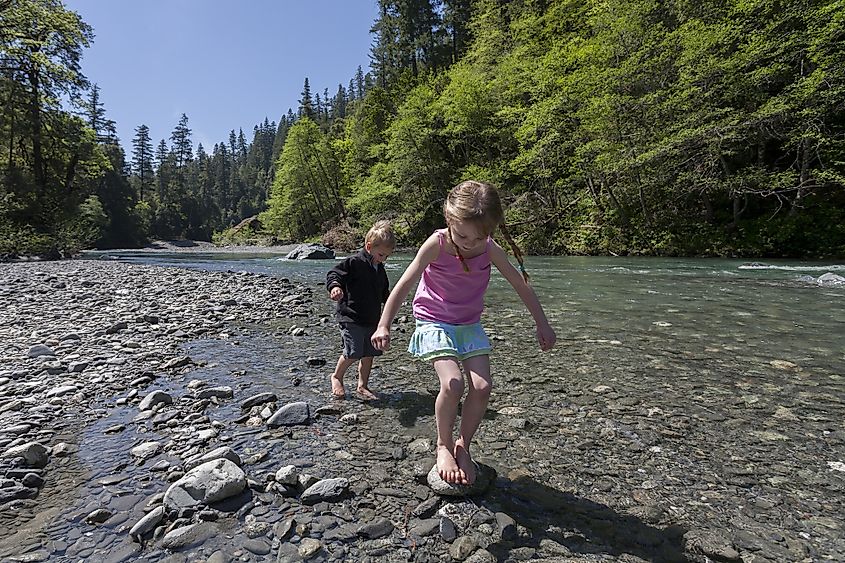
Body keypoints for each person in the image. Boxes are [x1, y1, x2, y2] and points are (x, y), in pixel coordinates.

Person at [372, 180, 556, 485]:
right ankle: (443, 444)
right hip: (434, 319)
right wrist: (384, 324)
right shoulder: (438, 243)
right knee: (454, 382)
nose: (470, 243)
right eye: (463, 235)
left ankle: (463, 445)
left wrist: (542, 322)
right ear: (448, 217)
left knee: (483, 387)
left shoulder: (489, 249)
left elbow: (520, 285)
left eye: (479, 237)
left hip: (469, 324)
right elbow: (404, 284)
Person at [326, 220, 395, 400]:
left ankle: (362, 385)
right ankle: (337, 376)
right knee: (353, 351)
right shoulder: (354, 262)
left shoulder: (379, 268)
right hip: (350, 316)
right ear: (369, 246)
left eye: (386, 257)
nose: (383, 259)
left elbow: (383, 291)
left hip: (372, 318)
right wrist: (335, 287)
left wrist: (390, 301)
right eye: (381, 255)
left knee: (369, 353)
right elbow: (334, 274)